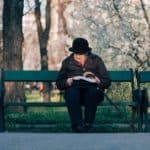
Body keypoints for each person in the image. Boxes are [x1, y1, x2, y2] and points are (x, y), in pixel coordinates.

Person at [56, 37, 111, 132]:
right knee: (72, 93)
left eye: (81, 54)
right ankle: (77, 125)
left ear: (87, 53)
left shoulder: (96, 60)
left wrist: (98, 81)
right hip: (74, 90)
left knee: (92, 93)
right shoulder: (67, 62)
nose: (78, 56)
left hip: (92, 90)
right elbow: (59, 83)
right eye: (76, 53)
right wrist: (67, 82)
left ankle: (88, 124)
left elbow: (107, 81)